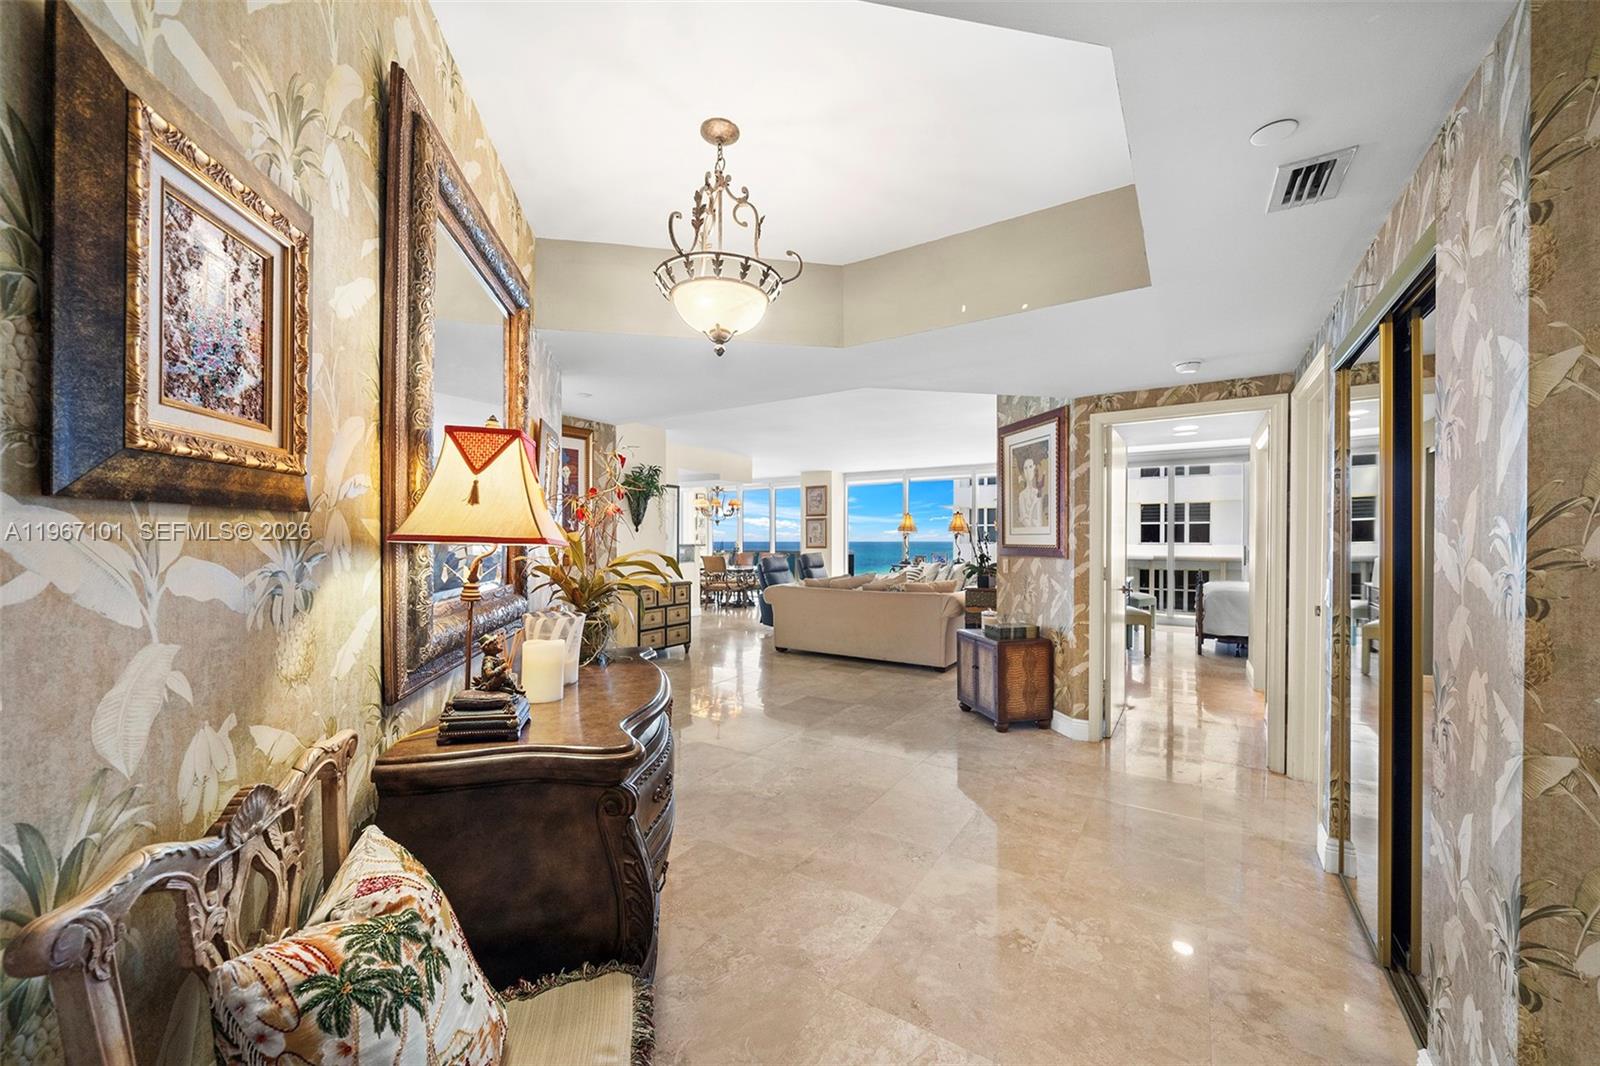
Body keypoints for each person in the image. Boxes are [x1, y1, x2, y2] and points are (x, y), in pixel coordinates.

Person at [1015, 455, 1046, 528]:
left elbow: (1040, 517)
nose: (1028, 471)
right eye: (1025, 468)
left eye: (1030, 467)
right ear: (1023, 471)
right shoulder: (1022, 495)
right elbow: (1023, 517)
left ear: (1034, 468)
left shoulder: (1038, 492)